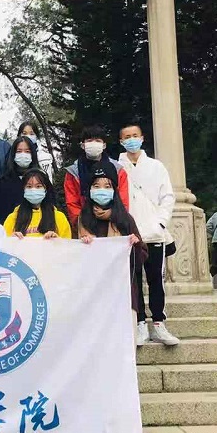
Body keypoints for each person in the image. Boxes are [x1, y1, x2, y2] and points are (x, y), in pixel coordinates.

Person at [118, 123, 179, 346]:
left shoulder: (156, 166)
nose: (131, 140)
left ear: (142, 138)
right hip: (131, 234)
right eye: (127, 137)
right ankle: (140, 323)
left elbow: (167, 196)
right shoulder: (118, 167)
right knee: (134, 281)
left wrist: (160, 223)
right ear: (121, 141)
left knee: (156, 280)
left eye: (135, 135)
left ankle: (159, 323)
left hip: (154, 233)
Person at [77, 167, 149, 322]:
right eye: (96, 186)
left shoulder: (125, 219)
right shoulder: (83, 220)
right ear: (89, 190)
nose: (101, 190)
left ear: (114, 191)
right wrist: (83, 246)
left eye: (107, 186)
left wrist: (135, 245)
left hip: (123, 292)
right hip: (93, 294)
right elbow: (75, 260)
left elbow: (140, 259)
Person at [63, 125, 129, 229]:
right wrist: (82, 225)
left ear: (104, 145)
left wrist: (113, 215)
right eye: (89, 140)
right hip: (85, 226)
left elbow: (123, 200)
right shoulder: (73, 172)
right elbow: (72, 203)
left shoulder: (118, 170)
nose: (93, 144)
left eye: (98, 141)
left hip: (114, 224)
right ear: (82, 145)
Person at [4, 169, 72, 239]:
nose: (33, 190)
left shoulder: (59, 217)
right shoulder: (12, 218)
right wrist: (11, 240)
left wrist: (57, 241)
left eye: (38, 186)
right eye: (29, 186)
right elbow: (3, 243)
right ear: (23, 189)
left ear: (45, 189)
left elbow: (67, 244)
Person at [0, 136, 38, 224]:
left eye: (27, 151)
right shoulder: (1, 182)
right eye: (19, 151)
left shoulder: (42, 179)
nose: (23, 155)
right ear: (13, 154)